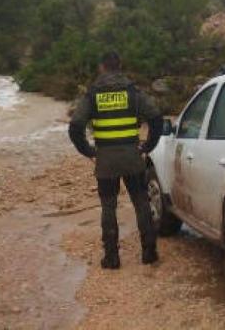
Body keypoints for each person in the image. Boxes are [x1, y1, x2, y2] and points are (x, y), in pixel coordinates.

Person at [69, 51, 164, 268]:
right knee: (141, 203)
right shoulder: (132, 91)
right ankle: (149, 253)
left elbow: (75, 126)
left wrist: (88, 151)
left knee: (109, 207)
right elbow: (156, 118)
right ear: (120, 66)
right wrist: (148, 146)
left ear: (101, 67)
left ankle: (111, 258)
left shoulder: (93, 93)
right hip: (132, 157)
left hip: (106, 160)